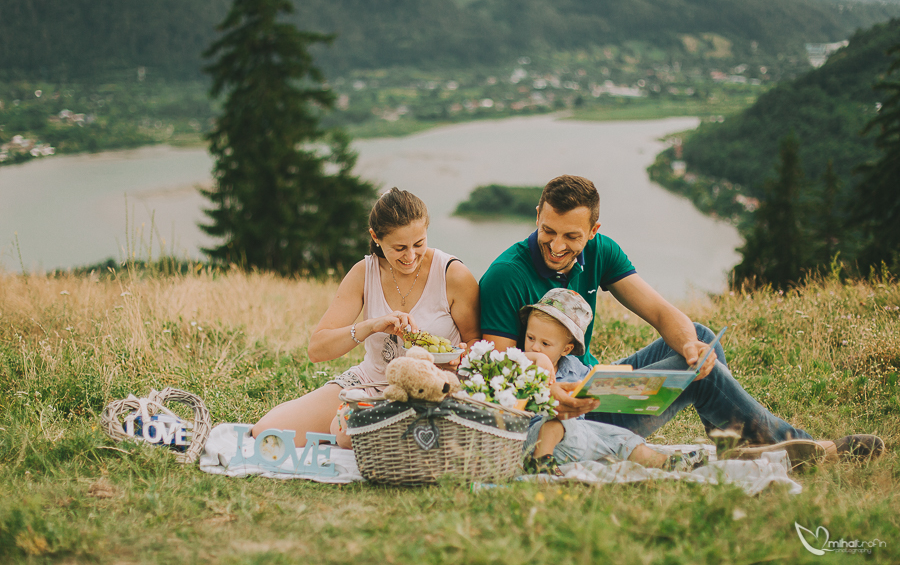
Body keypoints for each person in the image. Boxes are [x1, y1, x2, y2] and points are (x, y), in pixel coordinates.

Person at [479, 174, 885, 465]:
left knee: (699, 338)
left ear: (593, 230)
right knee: (700, 373)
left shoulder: (601, 250)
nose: (557, 245)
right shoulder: (505, 276)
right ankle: (803, 448)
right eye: (548, 230)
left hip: (590, 389)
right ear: (537, 216)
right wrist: (555, 398)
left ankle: (735, 444)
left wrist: (688, 345)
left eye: (572, 236)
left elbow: (660, 312)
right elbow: (500, 376)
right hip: (559, 415)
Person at [252, 188, 481, 447]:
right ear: (376, 237)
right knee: (267, 432)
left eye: (419, 244)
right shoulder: (364, 272)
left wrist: (460, 358)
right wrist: (370, 326)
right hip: (371, 382)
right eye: (399, 248)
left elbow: (475, 341)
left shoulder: (453, 274)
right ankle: (371, 429)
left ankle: (373, 433)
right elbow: (317, 350)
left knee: (348, 433)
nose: (410, 256)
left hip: (429, 389)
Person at [520, 288, 708, 474]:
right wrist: (538, 362)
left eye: (545, 344)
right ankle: (539, 463)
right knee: (557, 419)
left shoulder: (576, 368)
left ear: (566, 349)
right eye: (530, 338)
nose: (535, 347)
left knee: (621, 437)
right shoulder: (521, 363)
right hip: (533, 438)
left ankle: (666, 463)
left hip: (579, 437)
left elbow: (595, 388)